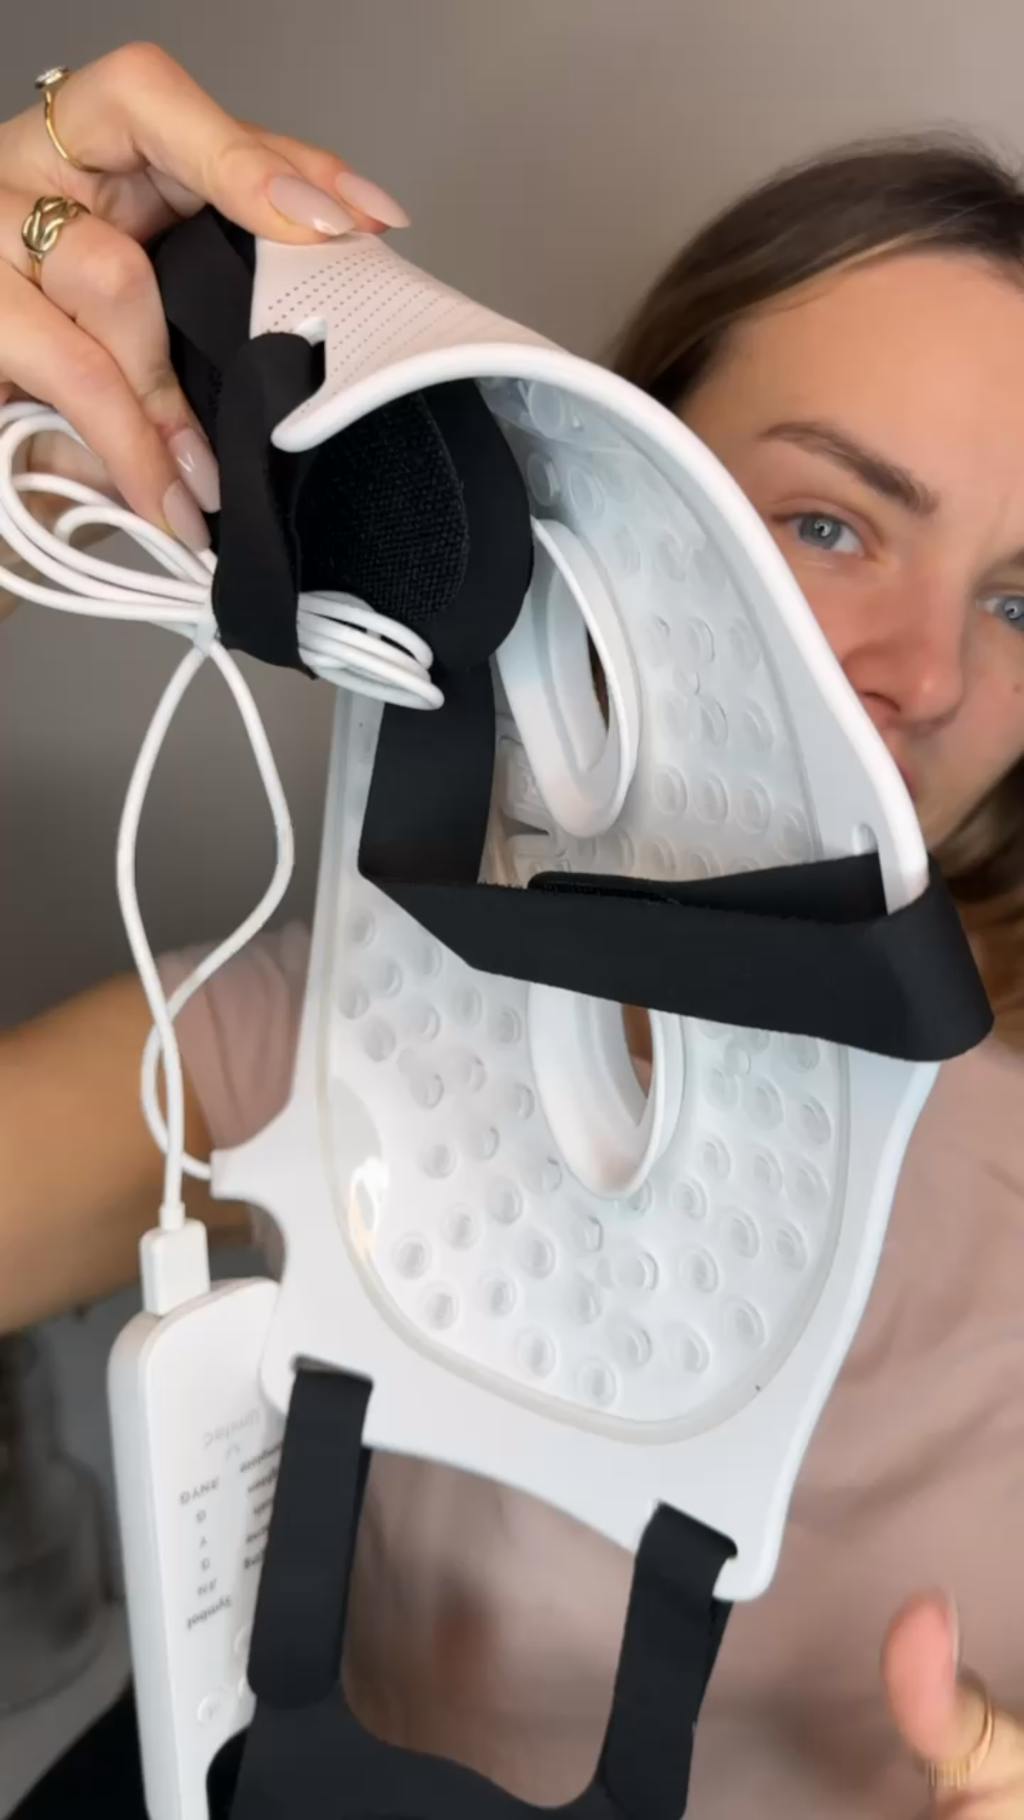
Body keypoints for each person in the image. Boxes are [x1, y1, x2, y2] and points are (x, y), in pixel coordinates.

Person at [1, 42, 1023, 1819]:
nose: (927, 678)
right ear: (591, 505)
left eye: (1023, 601)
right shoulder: (341, 1026)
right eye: (829, 522)